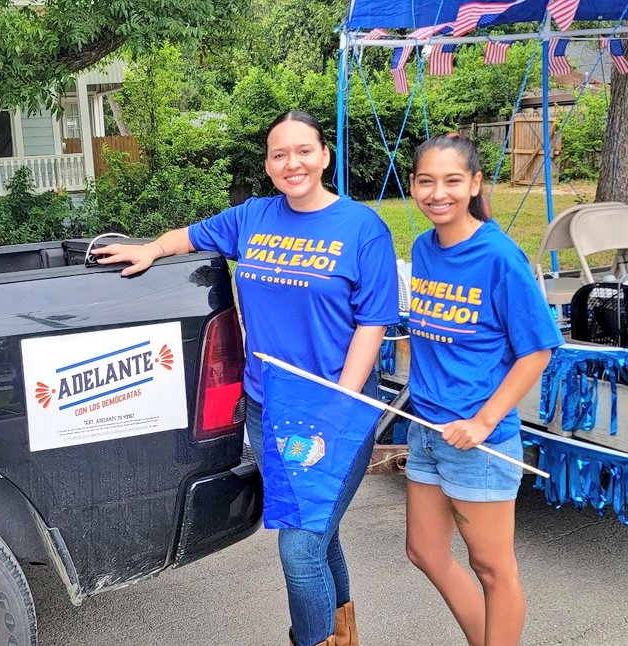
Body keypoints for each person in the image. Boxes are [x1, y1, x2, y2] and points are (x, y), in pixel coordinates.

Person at [93, 111, 399, 646]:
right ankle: (341, 634)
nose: (292, 163)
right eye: (279, 154)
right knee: (316, 530)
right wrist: (150, 249)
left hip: (334, 408)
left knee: (300, 549)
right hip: (267, 407)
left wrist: (340, 405)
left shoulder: (361, 228)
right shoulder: (253, 217)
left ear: (324, 155)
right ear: (268, 165)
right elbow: (186, 237)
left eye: (303, 150)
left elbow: (372, 323)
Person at [404, 133, 561, 646]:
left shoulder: (499, 256)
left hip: (480, 440)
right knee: (425, 552)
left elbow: (537, 349)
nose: (437, 193)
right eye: (426, 181)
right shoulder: (424, 249)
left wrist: (484, 421)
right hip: (426, 430)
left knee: (493, 569)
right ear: (413, 185)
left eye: (452, 181)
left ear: (474, 184)